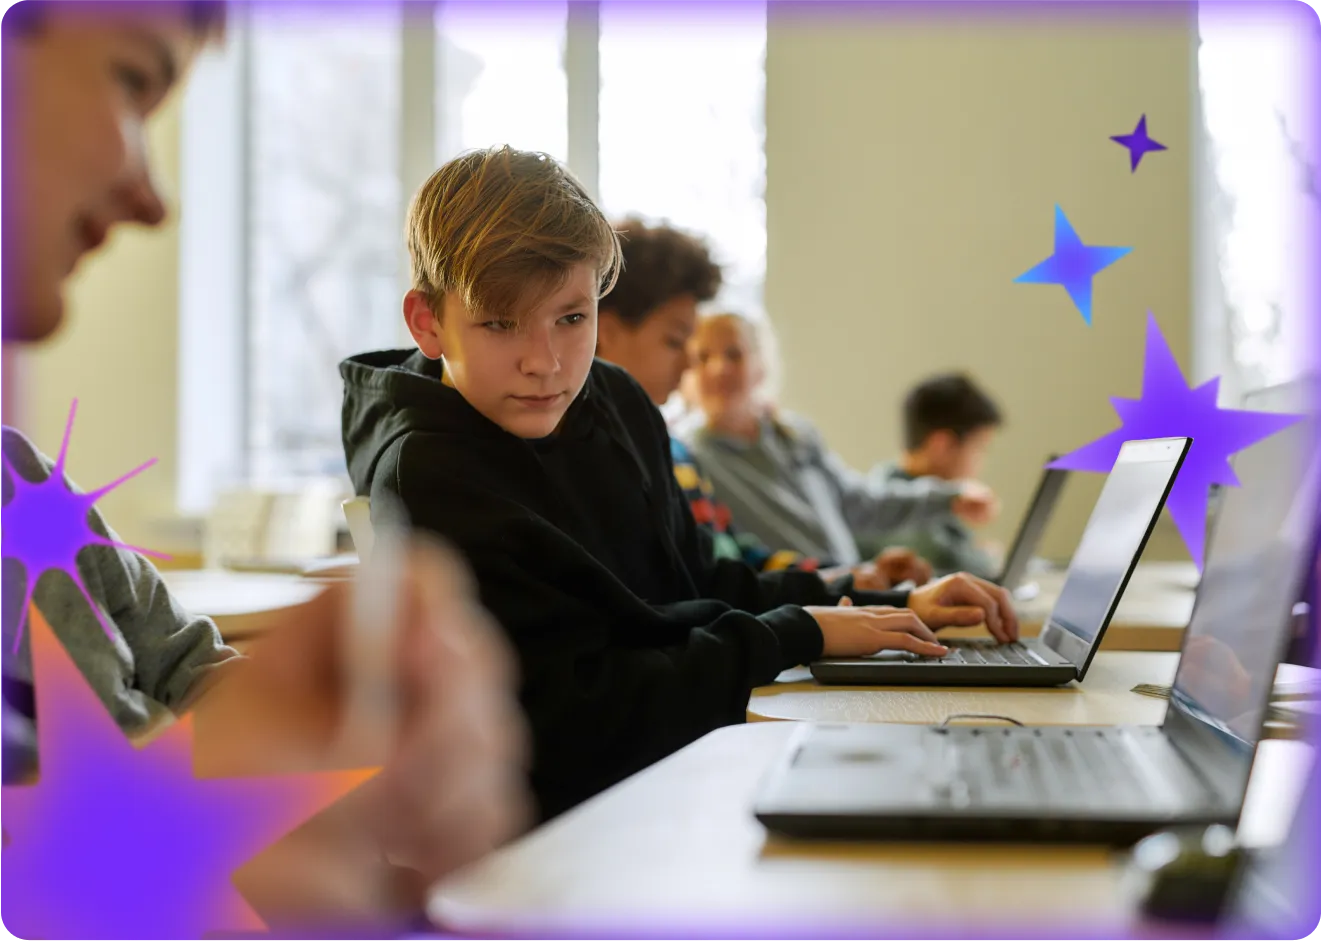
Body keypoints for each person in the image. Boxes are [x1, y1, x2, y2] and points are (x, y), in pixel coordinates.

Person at [1, 1, 528, 928]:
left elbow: (187, 664)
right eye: (131, 77)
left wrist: (323, 752)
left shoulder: (28, 484)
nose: (152, 198)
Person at [339, 146, 1020, 821]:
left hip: (674, 771)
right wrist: (797, 633)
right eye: (498, 322)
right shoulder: (427, 474)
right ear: (428, 321)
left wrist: (880, 602)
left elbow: (692, 580)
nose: (546, 362)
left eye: (571, 318)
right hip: (569, 823)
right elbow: (571, 723)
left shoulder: (610, 398)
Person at [595, 217, 930, 590]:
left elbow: (736, 559)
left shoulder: (671, 451)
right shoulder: (613, 458)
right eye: (676, 342)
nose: (691, 365)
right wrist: (830, 602)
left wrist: (846, 578)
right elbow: (694, 598)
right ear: (605, 334)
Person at [677, 311, 1000, 566]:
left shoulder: (795, 434)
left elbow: (857, 504)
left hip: (850, 593)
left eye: (734, 355)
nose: (719, 369)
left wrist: (949, 498)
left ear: (761, 365)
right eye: (702, 358)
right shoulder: (688, 455)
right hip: (792, 605)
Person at [870, 374, 1004, 579]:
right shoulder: (895, 512)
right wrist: (987, 556)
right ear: (942, 445)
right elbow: (958, 566)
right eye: (979, 448)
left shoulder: (936, 496)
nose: (981, 461)